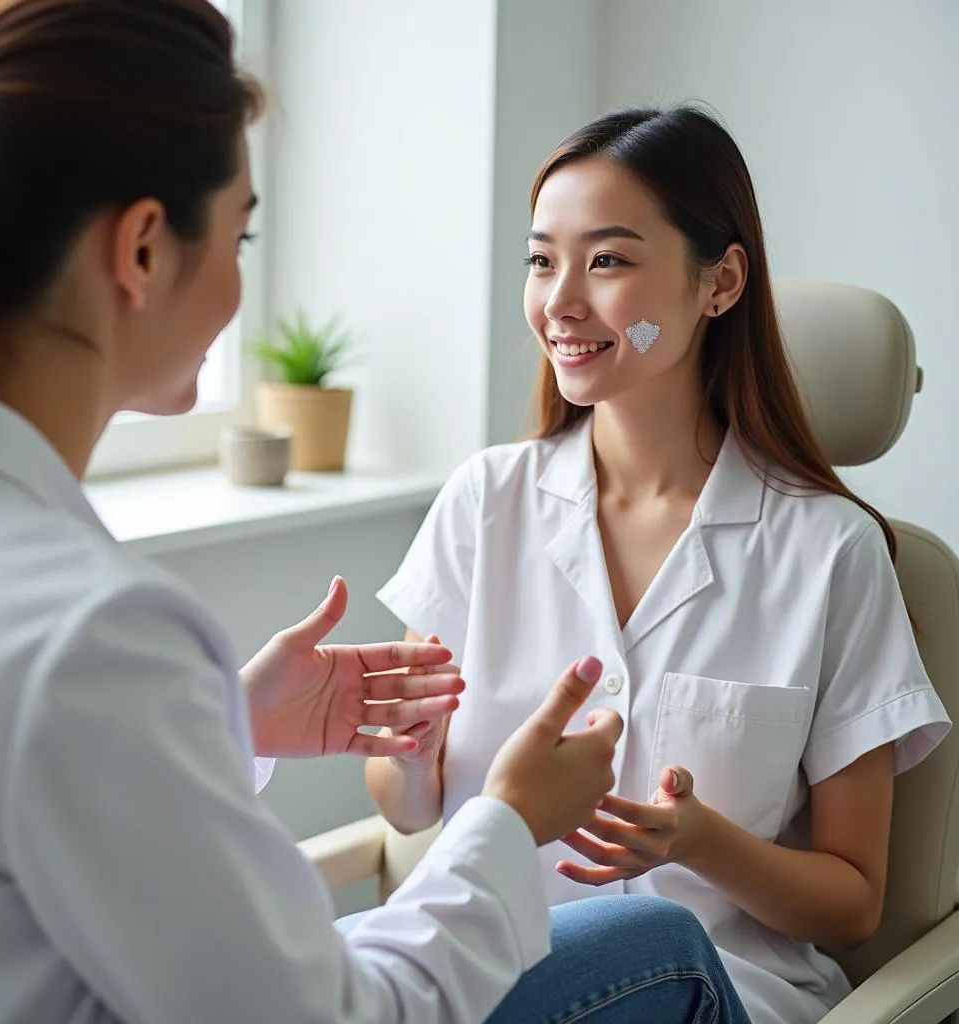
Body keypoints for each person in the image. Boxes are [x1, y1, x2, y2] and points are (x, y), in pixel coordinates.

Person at [0, 2, 629, 1022]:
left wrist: (224, 721)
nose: (235, 279)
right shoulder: (94, 629)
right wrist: (508, 825)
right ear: (139, 251)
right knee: (652, 940)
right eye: (241, 231)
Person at [368, 106, 952, 1024]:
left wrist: (695, 841)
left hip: (709, 988)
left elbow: (853, 906)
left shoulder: (831, 553)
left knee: (637, 940)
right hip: (484, 979)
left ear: (719, 283)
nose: (559, 301)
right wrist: (397, 748)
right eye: (540, 259)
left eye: (606, 260)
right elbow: (407, 810)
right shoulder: (485, 502)